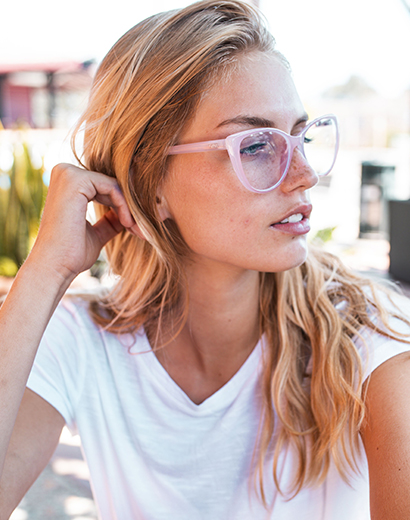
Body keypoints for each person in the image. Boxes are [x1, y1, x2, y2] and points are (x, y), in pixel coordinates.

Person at [1, 1, 410, 518]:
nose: (305, 172)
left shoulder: (370, 339)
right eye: (258, 144)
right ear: (151, 186)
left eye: (302, 137)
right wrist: (46, 270)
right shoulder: (83, 341)